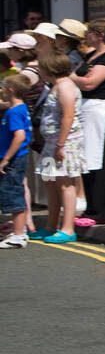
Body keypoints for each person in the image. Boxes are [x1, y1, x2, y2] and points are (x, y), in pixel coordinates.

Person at [69, 18, 105, 224]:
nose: (86, 36)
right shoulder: (92, 55)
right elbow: (80, 78)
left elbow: (89, 82)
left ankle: (104, 211)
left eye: (89, 32)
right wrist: (77, 78)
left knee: (100, 159)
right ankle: (92, 208)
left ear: (100, 35)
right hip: (87, 109)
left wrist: (74, 77)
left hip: (102, 109)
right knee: (88, 159)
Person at [31, 51, 84, 244]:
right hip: (52, 142)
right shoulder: (56, 86)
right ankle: (51, 226)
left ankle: (68, 228)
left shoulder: (66, 87)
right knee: (50, 183)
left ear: (49, 69)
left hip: (65, 142)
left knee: (65, 184)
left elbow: (68, 116)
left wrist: (61, 144)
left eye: (42, 68)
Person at [0, 76, 32, 249]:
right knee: (12, 193)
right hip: (16, 158)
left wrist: (5, 159)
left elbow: (19, 136)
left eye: (2, 88)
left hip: (13, 160)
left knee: (14, 195)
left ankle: (19, 235)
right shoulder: (19, 108)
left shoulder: (14, 112)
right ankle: (18, 230)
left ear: (10, 90)